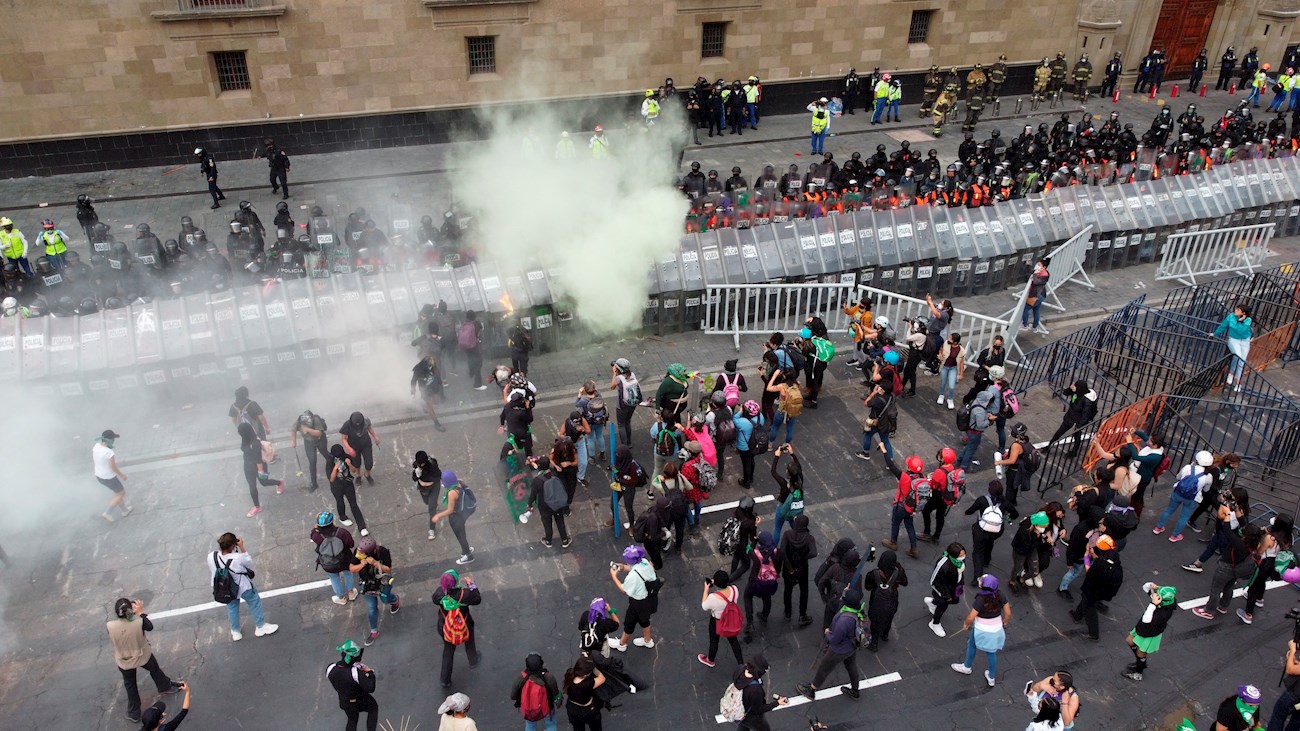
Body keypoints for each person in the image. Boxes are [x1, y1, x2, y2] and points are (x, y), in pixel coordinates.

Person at [107, 597, 183, 723]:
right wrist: (141, 613)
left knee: (130, 684)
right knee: (155, 670)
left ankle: (134, 712)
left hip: (123, 659)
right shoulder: (139, 622)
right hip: (142, 656)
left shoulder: (110, 626)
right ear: (130, 610)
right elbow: (149, 627)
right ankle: (164, 686)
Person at [797, 587, 864, 701]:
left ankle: (812, 690)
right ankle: (855, 690)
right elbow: (842, 603)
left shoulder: (844, 621)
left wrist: (827, 632)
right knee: (851, 666)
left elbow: (835, 639)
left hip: (839, 650)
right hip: (851, 646)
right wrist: (845, 592)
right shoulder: (857, 612)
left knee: (824, 667)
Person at [208, 532, 278, 641]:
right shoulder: (238, 558)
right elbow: (249, 563)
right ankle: (260, 626)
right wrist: (242, 547)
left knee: (232, 607)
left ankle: (235, 631)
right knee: (254, 601)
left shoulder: (212, 556)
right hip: (242, 587)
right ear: (233, 545)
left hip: (224, 588)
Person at [950, 574, 1011, 687]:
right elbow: (1008, 613)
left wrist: (966, 624)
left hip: (981, 629)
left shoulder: (980, 599)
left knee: (972, 645)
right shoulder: (1000, 594)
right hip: (996, 629)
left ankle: (967, 666)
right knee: (991, 653)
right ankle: (991, 677)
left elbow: (971, 617)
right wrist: (1005, 621)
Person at [432, 569, 482, 688]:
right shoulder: (465, 595)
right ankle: (473, 661)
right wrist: (471, 584)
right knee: (469, 641)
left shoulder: (439, 594)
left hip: (446, 626)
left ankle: (445, 680)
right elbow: (477, 598)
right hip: (464, 624)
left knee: (448, 650)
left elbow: (434, 599)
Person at [1152, 450, 1216, 541]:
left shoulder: (1187, 467)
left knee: (1169, 510)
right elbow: (1206, 489)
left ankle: (1158, 528)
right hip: (1192, 498)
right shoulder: (1208, 476)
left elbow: (1178, 477)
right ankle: (1174, 536)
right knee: (1184, 517)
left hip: (1178, 493)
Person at [1070, 534, 1122, 640]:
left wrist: (1086, 557)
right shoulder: (1113, 555)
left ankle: (1093, 633)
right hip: (1105, 588)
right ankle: (1078, 615)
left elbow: (1090, 571)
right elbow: (1100, 562)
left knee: (1090, 607)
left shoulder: (1101, 564)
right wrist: (1093, 555)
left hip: (1094, 589)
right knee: (1085, 600)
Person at [608, 545, 658, 652]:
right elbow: (635, 569)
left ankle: (621, 644)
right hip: (649, 599)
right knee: (644, 620)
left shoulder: (633, 577)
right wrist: (623, 567)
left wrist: (614, 576)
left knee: (629, 623)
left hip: (637, 603)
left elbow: (624, 590)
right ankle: (648, 640)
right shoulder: (644, 562)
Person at [352, 536, 399, 647]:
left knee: (385, 599)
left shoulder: (383, 552)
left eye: (362, 552)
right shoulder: (357, 552)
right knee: (372, 608)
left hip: (382, 582)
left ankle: (394, 600)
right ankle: (374, 631)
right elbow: (352, 568)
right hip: (367, 584)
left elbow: (388, 569)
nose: (359, 552)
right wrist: (362, 564)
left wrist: (375, 563)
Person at [880, 448, 924, 558]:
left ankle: (893, 542)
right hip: (912, 508)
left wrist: (884, 451)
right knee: (909, 525)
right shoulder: (922, 477)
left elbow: (891, 466)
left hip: (901, 506)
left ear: (909, 467)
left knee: (895, 523)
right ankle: (914, 548)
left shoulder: (905, 477)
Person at [326, 640, 378, 731]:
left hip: (344, 702)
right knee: (373, 708)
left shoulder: (330, 668)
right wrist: (370, 673)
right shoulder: (355, 673)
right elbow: (370, 688)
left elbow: (343, 671)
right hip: (360, 700)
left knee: (352, 720)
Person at [776, 514, 817, 627]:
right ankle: (802, 615)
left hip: (789, 567)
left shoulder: (787, 534)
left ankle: (788, 613)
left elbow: (782, 551)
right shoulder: (809, 538)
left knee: (788, 590)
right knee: (804, 590)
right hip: (802, 568)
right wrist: (803, 558)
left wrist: (789, 567)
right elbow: (814, 553)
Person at [699, 569, 744, 668]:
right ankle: (741, 663)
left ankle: (710, 660)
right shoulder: (735, 589)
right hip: (731, 620)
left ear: (715, 583)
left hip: (717, 621)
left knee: (714, 640)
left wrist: (706, 589)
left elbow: (704, 606)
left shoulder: (713, 597)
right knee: (733, 641)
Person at [312, 511, 360, 604]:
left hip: (328, 563)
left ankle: (341, 597)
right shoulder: (342, 532)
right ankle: (351, 593)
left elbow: (313, 534)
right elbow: (351, 544)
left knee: (334, 578)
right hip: (345, 559)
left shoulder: (317, 535)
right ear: (332, 522)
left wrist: (316, 526)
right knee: (348, 574)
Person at [864, 549, 907, 651]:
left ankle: (874, 643)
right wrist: (901, 568)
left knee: (875, 622)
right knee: (888, 618)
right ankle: (885, 635)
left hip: (876, 602)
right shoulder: (898, 575)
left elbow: (867, 587)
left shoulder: (873, 574)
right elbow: (905, 583)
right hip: (891, 602)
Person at [237, 422, 283, 518]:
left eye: (240, 432)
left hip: (259, 466)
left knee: (264, 483)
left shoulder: (255, 443)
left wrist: (260, 471)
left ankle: (279, 483)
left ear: (245, 432)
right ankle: (257, 506)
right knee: (252, 486)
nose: (239, 433)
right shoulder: (245, 439)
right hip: (247, 466)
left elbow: (258, 459)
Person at [731, 654, 787, 731]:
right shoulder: (755, 690)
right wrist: (777, 703)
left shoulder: (740, 669)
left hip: (740, 712)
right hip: (752, 718)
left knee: (743, 726)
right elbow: (757, 709)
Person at [1043, 380, 1098, 458]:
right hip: (1070, 416)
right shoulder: (1076, 392)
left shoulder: (1087, 401)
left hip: (1078, 420)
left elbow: (1085, 415)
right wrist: (1070, 388)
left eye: (1075, 386)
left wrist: (1079, 426)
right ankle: (1049, 445)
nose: (1073, 386)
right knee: (1060, 432)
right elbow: (1065, 392)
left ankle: (1074, 452)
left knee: (1077, 436)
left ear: (1079, 388)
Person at [741, 531, 779, 643]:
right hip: (770, 583)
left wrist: (754, 541)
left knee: (747, 596)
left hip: (756, 582)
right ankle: (764, 615)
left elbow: (748, 548)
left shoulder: (755, 554)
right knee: (767, 598)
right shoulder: (777, 552)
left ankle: (750, 622)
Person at [431, 470, 476, 565]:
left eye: (443, 481)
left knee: (460, 536)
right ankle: (466, 550)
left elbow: (450, 510)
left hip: (456, 517)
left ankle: (468, 555)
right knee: (462, 534)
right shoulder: (459, 482)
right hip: (462, 513)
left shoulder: (451, 493)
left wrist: (438, 515)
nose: (442, 483)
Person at [527, 456, 571, 549]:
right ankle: (565, 540)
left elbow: (533, 495)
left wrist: (530, 504)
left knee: (547, 524)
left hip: (544, 506)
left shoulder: (537, 480)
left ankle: (548, 541)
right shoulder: (555, 474)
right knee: (560, 522)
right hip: (557, 503)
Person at [966, 480, 1005, 583]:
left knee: (978, 552)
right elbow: (1014, 513)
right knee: (989, 543)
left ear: (989, 489)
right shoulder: (1004, 501)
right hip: (996, 530)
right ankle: (987, 560)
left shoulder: (982, 500)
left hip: (981, 530)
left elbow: (971, 510)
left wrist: (966, 513)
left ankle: (978, 577)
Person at [511, 652, 561, 731]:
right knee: (550, 724)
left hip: (528, 710)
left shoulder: (521, 678)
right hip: (546, 708)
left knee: (530, 726)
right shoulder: (548, 677)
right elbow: (556, 694)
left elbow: (513, 696)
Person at [92, 428, 133, 523]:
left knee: (117, 492)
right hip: (109, 477)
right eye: (113, 439)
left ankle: (125, 510)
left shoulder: (96, 446)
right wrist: (122, 475)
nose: (114, 440)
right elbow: (113, 467)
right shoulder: (109, 452)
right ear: (110, 440)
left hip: (99, 476)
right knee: (121, 493)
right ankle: (107, 512)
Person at [925, 542, 966, 637]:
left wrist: (960, 584)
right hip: (944, 591)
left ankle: (933, 602)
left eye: (964, 554)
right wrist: (945, 595)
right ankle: (935, 623)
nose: (963, 557)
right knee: (943, 606)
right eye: (961, 555)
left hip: (954, 588)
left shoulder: (958, 561)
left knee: (952, 601)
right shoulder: (943, 565)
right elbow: (934, 581)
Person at [328, 444, 369, 536]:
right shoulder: (330, 462)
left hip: (348, 483)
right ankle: (342, 517)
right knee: (340, 501)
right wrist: (335, 468)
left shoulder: (347, 457)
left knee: (353, 504)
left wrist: (349, 464)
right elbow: (331, 479)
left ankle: (362, 527)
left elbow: (354, 471)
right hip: (336, 486)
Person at [1213, 304, 1254, 388]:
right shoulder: (1231, 317)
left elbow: (1241, 331)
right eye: (1236, 309)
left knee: (1242, 361)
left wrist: (1240, 322)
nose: (1235, 310)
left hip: (1245, 340)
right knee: (1237, 355)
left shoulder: (1248, 320)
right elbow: (1223, 326)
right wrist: (1215, 333)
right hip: (1234, 339)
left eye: (1238, 310)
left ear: (1243, 313)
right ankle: (1231, 373)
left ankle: (1238, 382)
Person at [769, 444, 804, 543]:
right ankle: (798, 538)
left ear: (787, 472)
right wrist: (792, 453)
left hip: (783, 507)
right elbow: (799, 467)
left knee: (777, 528)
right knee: (794, 524)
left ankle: (774, 547)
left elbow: (773, 471)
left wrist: (777, 456)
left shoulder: (784, 483)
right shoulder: (800, 480)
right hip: (793, 507)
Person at [290, 410, 330, 492]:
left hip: (320, 440)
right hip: (308, 442)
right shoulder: (298, 422)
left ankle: (338, 466)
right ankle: (314, 483)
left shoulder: (316, 420)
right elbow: (293, 430)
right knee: (312, 461)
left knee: (326, 454)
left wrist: (307, 429)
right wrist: (294, 441)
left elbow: (319, 433)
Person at [562, 657, 605, 731]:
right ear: (585, 675)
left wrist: (586, 661)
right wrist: (593, 667)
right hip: (588, 711)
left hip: (572, 708)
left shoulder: (569, 674)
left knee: (578, 728)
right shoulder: (587, 684)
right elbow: (602, 678)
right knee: (596, 728)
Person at [1267, 639, 1300, 730]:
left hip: (1296, 693)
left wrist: (1292, 650)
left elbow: (1290, 669)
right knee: (1297, 721)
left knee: (1278, 715)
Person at [339, 411, 379, 485]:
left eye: (359, 424)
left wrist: (375, 437)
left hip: (366, 444)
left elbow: (370, 428)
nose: (358, 425)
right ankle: (358, 475)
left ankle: (367, 474)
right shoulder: (347, 424)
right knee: (356, 463)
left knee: (369, 463)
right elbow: (343, 438)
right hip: (353, 446)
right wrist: (349, 448)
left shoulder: (366, 421)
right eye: (356, 424)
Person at [609, 358, 642, 448]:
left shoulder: (619, 378)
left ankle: (624, 445)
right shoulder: (632, 374)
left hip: (622, 405)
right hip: (633, 403)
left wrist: (614, 373)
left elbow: (612, 387)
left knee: (621, 424)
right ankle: (629, 442)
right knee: (627, 421)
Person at [411, 354, 448, 432]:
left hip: (433, 387)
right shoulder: (418, 370)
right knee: (430, 406)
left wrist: (440, 383)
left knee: (436, 401)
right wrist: (413, 391)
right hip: (424, 389)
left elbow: (437, 373)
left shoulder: (432, 363)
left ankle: (423, 403)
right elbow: (413, 381)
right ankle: (437, 424)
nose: (431, 366)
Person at [766, 368, 802, 447]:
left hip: (781, 411)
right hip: (792, 410)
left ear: (785, 376)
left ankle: (770, 444)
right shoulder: (797, 384)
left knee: (775, 427)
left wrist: (775, 375)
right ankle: (786, 445)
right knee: (790, 429)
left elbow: (768, 388)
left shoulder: (782, 386)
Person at [733, 400, 765, 488]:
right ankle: (751, 478)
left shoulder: (743, 422)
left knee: (746, 463)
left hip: (744, 446)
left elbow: (734, 418)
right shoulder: (760, 417)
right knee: (751, 460)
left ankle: (746, 482)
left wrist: (740, 411)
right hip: (755, 444)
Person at [413, 450, 441, 540]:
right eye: (419, 464)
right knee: (427, 502)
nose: (421, 466)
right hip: (423, 490)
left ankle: (432, 529)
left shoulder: (432, 465)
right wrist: (417, 476)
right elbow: (414, 478)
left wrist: (427, 482)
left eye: (422, 464)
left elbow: (438, 477)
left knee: (431, 508)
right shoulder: (416, 465)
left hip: (434, 488)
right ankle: (433, 503)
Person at [457, 310, 486, 390]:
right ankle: (477, 384)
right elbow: (480, 333)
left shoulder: (464, 324)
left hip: (465, 346)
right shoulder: (476, 323)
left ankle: (471, 373)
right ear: (474, 316)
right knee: (478, 363)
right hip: (474, 346)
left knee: (470, 359)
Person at [936, 332, 965, 409]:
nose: (948, 339)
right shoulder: (946, 343)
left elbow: (961, 362)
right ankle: (941, 395)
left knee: (952, 386)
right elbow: (941, 349)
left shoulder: (961, 350)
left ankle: (950, 399)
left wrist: (961, 373)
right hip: (944, 366)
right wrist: (940, 354)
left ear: (955, 342)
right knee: (943, 383)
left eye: (951, 339)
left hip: (953, 368)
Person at [1023, 258, 1051, 334]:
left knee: (1026, 309)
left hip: (1037, 296)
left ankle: (1025, 325)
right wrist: (1028, 264)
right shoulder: (1040, 272)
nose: (1037, 266)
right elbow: (1032, 271)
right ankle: (1034, 327)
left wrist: (1035, 274)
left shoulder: (1044, 275)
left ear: (1044, 267)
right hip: (1039, 295)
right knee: (1036, 310)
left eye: (1039, 265)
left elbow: (1036, 282)